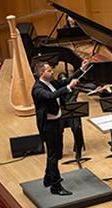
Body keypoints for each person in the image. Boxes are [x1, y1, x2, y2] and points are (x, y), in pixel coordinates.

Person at [31, 62, 85, 195]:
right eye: (49, 70)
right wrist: (68, 88)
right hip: (48, 126)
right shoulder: (37, 88)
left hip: (56, 122)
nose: (52, 72)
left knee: (55, 153)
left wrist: (81, 69)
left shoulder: (51, 82)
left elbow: (66, 81)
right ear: (41, 73)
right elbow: (51, 96)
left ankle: (48, 177)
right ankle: (56, 186)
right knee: (53, 155)